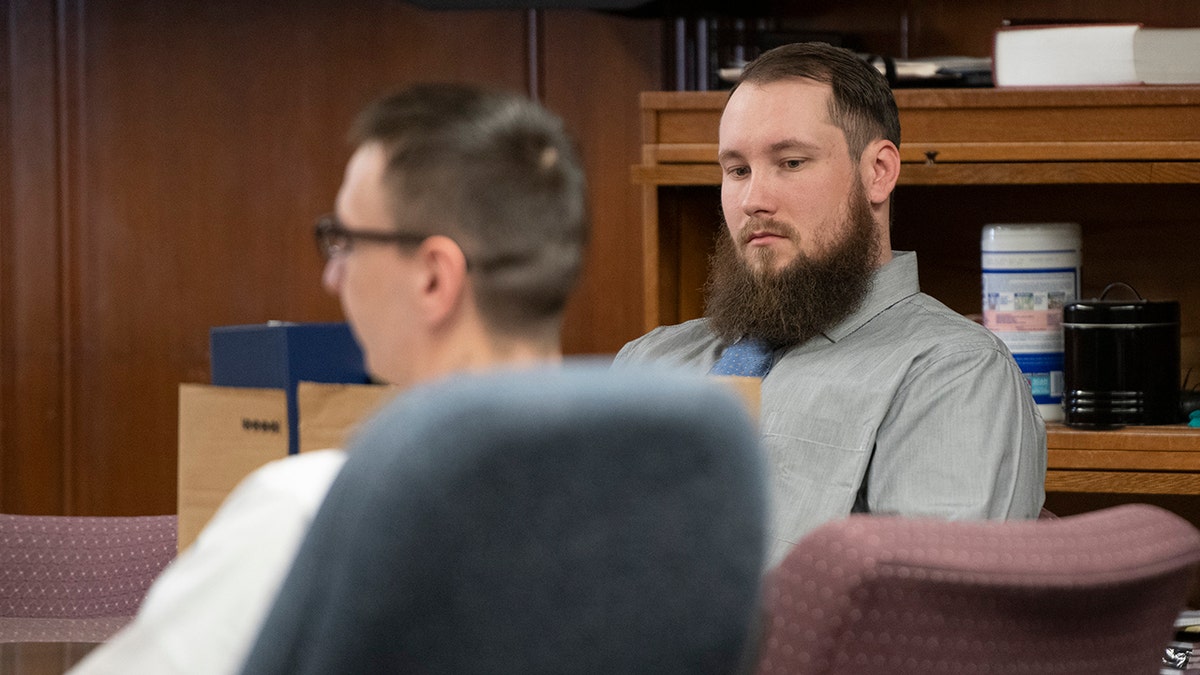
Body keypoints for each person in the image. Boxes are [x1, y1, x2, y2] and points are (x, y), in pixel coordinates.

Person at [71, 82, 589, 674]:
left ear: (433, 278)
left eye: (345, 241)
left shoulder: (314, 512)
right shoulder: (655, 502)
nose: (332, 277)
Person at [614, 41, 1047, 566]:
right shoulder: (649, 361)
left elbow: (928, 621)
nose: (754, 200)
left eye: (791, 162)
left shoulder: (951, 373)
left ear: (878, 172)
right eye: (737, 170)